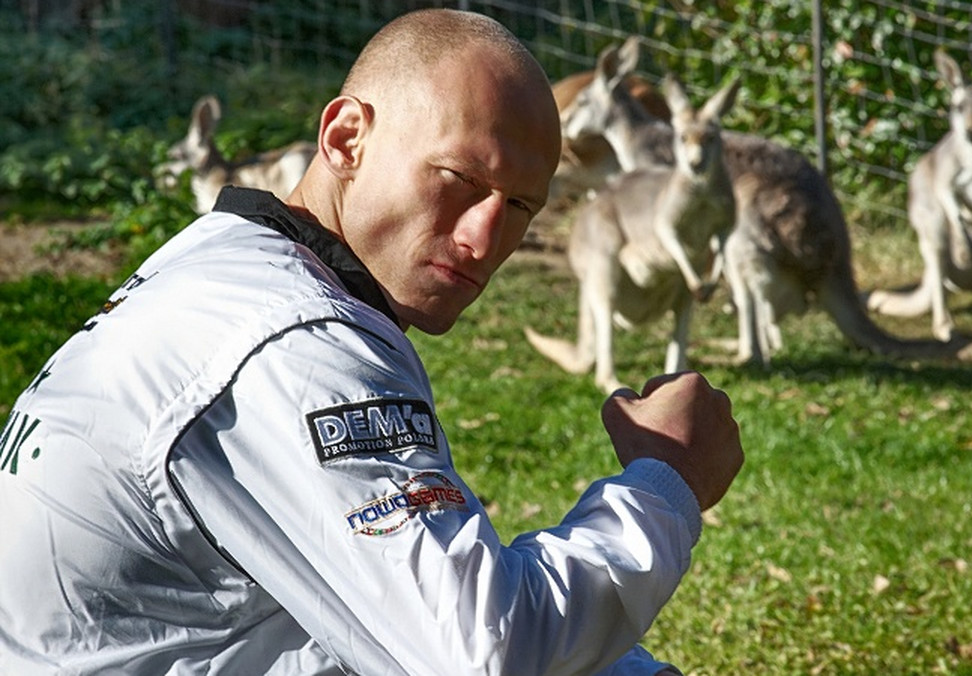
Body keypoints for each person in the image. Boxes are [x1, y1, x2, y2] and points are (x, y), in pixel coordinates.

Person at [0, 9, 743, 675]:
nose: (486, 240)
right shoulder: (294, 342)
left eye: (519, 206)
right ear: (346, 137)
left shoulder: (225, 257)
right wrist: (664, 483)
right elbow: (487, 656)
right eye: (459, 177)